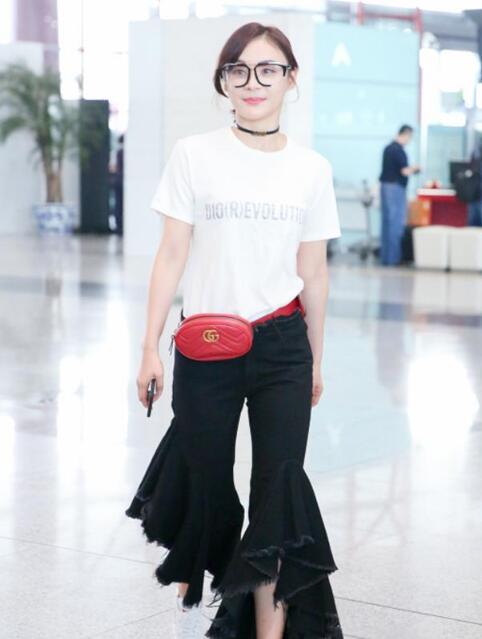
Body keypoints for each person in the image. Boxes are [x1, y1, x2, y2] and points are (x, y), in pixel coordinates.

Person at [125, 22, 344, 639]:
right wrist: (149, 347)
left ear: (290, 79)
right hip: (207, 345)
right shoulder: (195, 154)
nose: (253, 82)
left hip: (282, 347)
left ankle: (269, 630)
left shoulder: (311, 169)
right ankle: (206, 593)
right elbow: (171, 254)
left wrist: (316, 359)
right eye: (238, 70)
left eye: (268, 69)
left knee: (278, 489)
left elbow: (314, 273)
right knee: (206, 479)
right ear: (223, 81)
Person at [379, 124, 421, 265]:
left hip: (385, 187)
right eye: (410, 137)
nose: (409, 140)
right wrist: (416, 168)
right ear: (406, 134)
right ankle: (393, 259)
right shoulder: (398, 150)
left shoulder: (388, 148)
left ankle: (386, 258)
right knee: (395, 224)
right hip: (395, 189)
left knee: (387, 224)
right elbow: (405, 171)